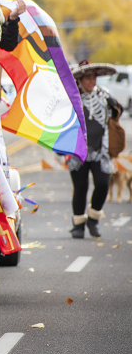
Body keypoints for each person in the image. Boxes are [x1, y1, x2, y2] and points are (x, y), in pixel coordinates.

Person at [68, 60, 120, 239]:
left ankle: (93, 218)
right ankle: (78, 225)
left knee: (103, 185)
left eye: (94, 78)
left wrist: (115, 107)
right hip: (79, 152)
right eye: (88, 78)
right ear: (81, 80)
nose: (92, 82)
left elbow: (115, 115)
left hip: (101, 151)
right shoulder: (72, 98)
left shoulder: (105, 96)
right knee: (80, 187)